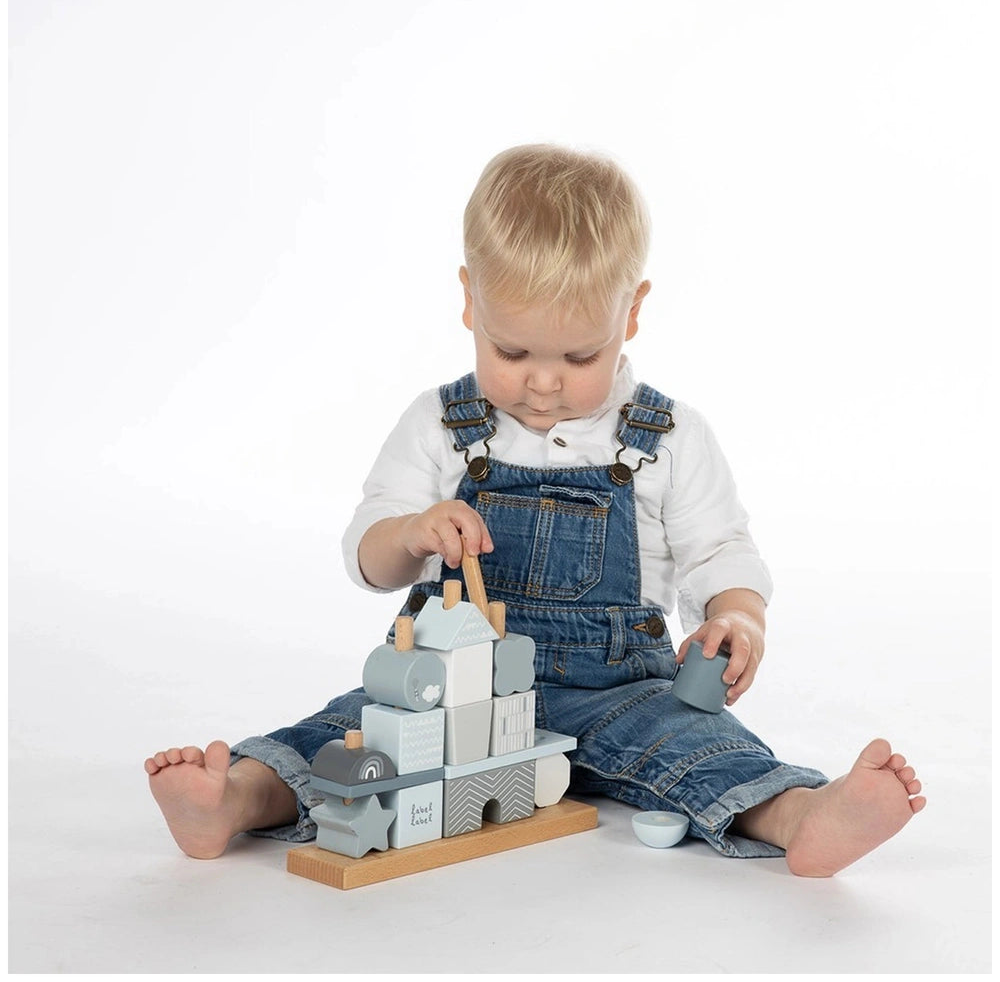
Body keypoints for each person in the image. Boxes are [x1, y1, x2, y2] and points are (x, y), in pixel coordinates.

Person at [145, 144, 925, 876]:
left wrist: (739, 618)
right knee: (353, 739)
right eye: (511, 352)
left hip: (619, 690)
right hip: (451, 688)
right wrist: (413, 533)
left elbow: (722, 550)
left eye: (580, 357)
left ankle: (801, 818)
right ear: (468, 302)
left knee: (698, 746)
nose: (542, 383)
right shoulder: (441, 423)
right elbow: (368, 557)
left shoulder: (665, 436)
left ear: (632, 313)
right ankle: (237, 799)